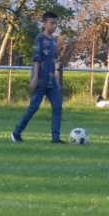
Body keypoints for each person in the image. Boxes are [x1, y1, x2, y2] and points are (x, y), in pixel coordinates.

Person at [10, 10, 64, 143]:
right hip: (40, 80)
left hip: (51, 81)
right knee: (34, 107)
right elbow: (36, 59)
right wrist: (34, 77)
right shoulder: (40, 38)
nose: (54, 26)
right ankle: (16, 132)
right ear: (44, 24)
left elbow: (54, 60)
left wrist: (56, 79)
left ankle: (56, 138)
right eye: (52, 23)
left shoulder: (54, 40)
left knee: (58, 107)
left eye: (56, 23)